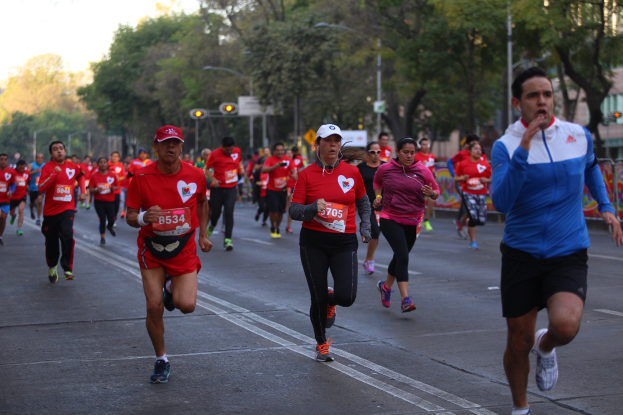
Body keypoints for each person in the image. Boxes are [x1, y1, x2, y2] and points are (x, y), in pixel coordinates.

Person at [492, 67, 622, 415]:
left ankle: (546, 347)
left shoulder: (577, 135)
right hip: (521, 253)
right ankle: (521, 408)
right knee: (518, 341)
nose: (542, 102)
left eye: (547, 94)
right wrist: (524, 148)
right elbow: (501, 202)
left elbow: (591, 166)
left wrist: (606, 207)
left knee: (565, 326)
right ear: (518, 103)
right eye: (533, 96)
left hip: (568, 249)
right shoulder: (504, 146)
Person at [126, 125, 212, 384]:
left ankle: (170, 290)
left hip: (183, 248)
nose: (170, 147)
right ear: (156, 147)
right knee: (154, 308)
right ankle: (161, 359)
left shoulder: (196, 175)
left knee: (186, 305)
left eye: (175, 143)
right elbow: (130, 215)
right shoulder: (141, 177)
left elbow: (202, 202)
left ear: (181, 147)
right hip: (151, 248)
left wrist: (203, 235)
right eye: (165, 143)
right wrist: (143, 217)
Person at [289, 124, 371, 362]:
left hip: (344, 242)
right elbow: (294, 210)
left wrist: (365, 226)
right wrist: (313, 208)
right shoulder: (306, 174)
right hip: (313, 243)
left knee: (347, 297)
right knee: (317, 297)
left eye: (337, 140)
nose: (333, 144)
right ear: (318, 145)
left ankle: (331, 300)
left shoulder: (352, 173)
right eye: (328, 140)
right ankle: (321, 343)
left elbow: (364, 202)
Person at [374, 137, 439, 313]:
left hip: (413, 219)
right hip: (390, 217)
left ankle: (386, 287)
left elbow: (436, 191)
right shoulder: (385, 168)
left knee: (399, 257)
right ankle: (405, 299)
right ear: (398, 152)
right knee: (403, 255)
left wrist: (431, 193)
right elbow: (377, 183)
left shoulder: (422, 170)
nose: (409, 156)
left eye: (412, 153)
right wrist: (378, 197)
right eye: (405, 152)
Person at [38, 141, 87, 282]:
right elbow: (41, 188)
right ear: (51, 154)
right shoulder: (47, 168)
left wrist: (83, 192)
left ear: (65, 151)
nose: (59, 151)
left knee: (67, 235)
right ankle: (52, 265)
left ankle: (67, 268)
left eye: (61, 148)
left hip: (67, 208)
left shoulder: (73, 166)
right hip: (50, 212)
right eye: (55, 149)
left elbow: (81, 176)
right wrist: (54, 174)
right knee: (51, 242)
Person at [204, 136, 248, 250]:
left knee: (229, 212)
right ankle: (212, 225)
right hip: (217, 188)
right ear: (222, 147)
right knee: (215, 213)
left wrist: (241, 168)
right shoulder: (214, 154)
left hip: (231, 187)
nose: (229, 152)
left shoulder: (237, 151)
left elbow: (239, 162)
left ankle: (228, 239)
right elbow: (206, 169)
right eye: (227, 150)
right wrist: (213, 179)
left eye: (231, 149)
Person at [454, 142, 491, 249]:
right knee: (473, 217)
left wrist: (486, 180)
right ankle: (473, 241)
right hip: (468, 192)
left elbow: (492, 178)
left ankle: (463, 222)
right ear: (469, 151)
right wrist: (463, 178)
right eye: (475, 149)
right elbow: (456, 178)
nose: (478, 151)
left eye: (480, 149)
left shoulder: (485, 164)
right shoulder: (463, 163)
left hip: (481, 193)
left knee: (481, 220)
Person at [357, 141, 385, 274]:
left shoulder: (385, 166)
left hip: (382, 203)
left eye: (378, 152)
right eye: (372, 152)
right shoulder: (361, 167)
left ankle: (368, 258)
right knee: (375, 230)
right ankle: (371, 260)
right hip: (366, 204)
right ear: (367, 153)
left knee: (377, 232)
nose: (376, 155)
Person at [449, 134, 483, 238]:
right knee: (467, 202)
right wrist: (454, 174)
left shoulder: (480, 155)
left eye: (477, 143)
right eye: (473, 143)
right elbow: (449, 161)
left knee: (472, 204)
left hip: (474, 184)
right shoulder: (462, 154)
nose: (475, 145)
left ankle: (461, 222)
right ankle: (460, 223)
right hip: (461, 182)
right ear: (468, 144)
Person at [262, 143, 297, 238]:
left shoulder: (288, 160)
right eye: (278, 150)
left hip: (283, 189)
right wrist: (274, 166)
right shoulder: (270, 160)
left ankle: (277, 227)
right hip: (271, 189)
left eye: (281, 150)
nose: (280, 152)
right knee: (273, 210)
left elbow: (294, 171)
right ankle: (272, 226)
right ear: (274, 151)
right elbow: (263, 170)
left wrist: (294, 175)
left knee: (281, 211)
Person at [89, 157, 119, 246]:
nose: (103, 164)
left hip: (110, 201)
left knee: (111, 219)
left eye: (104, 162)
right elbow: (90, 189)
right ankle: (102, 238)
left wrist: (114, 188)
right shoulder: (94, 176)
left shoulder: (112, 175)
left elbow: (116, 186)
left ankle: (110, 227)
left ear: (107, 164)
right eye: (101, 162)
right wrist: (96, 189)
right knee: (102, 219)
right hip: (99, 201)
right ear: (98, 164)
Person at [414, 138, 436, 231]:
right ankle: (416, 219)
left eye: (427, 144)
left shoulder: (432, 156)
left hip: (429, 183)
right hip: (419, 182)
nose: (425, 146)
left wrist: (434, 175)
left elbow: (432, 169)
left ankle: (426, 220)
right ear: (419, 146)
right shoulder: (416, 156)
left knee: (431, 201)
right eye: (423, 144)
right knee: (418, 203)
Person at [285, 147, 305, 234]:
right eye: (287, 153)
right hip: (282, 187)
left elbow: (302, 169)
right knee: (283, 207)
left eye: (291, 153)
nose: (290, 154)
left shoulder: (298, 160)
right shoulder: (282, 162)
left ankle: (288, 226)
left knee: (291, 206)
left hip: (293, 186)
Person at [9, 160, 31, 236]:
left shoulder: (27, 173)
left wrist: (28, 185)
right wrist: (14, 185)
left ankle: (19, 228)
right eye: (20, 168)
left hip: (22, 195)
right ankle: (13, 216)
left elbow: (29, 181)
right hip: (12, 196)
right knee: (11, 212)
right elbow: (8, 183)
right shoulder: (12, 172)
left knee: (21, 210)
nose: (21, 170)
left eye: (23, 168)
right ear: (17, 166)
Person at [0, 153, 17, 245]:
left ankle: (0, 236)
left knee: (3, 218)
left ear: (7, 161)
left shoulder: (11, 172)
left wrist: (11, 191)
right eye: (1, 159)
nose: (3, 161)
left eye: (5, 159)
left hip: (5, 199)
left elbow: (13, 184)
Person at [109, 151, 127, 224]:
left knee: (116, 206)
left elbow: (124, 176)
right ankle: (110, 219)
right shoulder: (107, 165)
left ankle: (113, 218)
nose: (114, 158)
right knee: (109, 206)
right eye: (113, 156)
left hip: (117, 190)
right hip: (108, 190)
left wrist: (118, 178)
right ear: (111, 157)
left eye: (116, 156)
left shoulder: (120, 165)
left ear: (118, 158)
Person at [28, 153, 46, 226]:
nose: (39, 159)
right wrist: (34, 172)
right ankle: (32, 209)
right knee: (32, 203)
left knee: (39, 201)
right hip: (32, 188)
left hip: (40, 187)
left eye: (41, 158)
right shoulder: (31, 165)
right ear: (36, 158)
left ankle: (38, 218)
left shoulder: (45, 166)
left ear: (43, 159)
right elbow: (26, 174)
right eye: (38, 158)